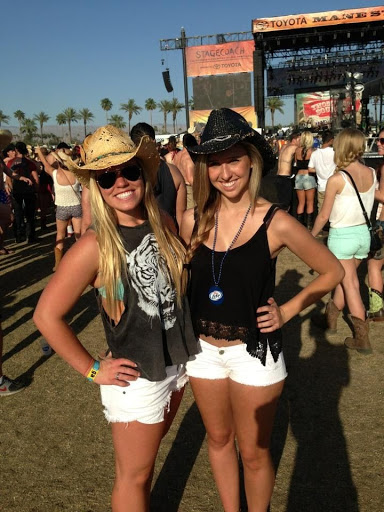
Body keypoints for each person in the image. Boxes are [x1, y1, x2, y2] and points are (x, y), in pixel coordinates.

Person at [180, 108, 343, 512]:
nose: (225, 172)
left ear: (251, 160)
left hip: (254, 354)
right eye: (214, 163)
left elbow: (332, 271)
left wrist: (287, 311)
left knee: (253, 452)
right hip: (201, 355)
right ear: (204, 169)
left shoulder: (277, 221)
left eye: (233, 158)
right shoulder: (192, 220)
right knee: (218, 441)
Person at [33, 125, 197, 512]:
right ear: (95, 186)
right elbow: (47, 315)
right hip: (135, 377)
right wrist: (92, 369)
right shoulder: (94, 245)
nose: (120, 182)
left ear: (144, 172)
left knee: (144, 467)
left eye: (129, 171)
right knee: (132, 476)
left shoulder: (161, 221)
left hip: (175, 364)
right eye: (107, 177)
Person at [311, 128, 377, 353]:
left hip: (342, 237)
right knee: (345, 280)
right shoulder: (371, 172)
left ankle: (362, 337)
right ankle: (330, 318)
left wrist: (310, 237)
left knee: (350, 284)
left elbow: (323, 215)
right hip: (363, 236)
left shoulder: (337, 179)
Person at [130, 123, 186, 231]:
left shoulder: (128, 176)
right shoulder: (174, 173)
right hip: (170, 238)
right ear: (154, 142)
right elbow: (181, 220)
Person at [35, 146, 82, 271]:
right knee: (79, 237)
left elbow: (45, 163)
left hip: (61, 208)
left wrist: (39, 152)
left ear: (59, 162)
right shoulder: (77, 174)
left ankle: (58, 264)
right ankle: (81, 262)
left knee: (60, 236)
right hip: (77, 207)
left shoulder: (55, 174)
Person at [367, 129, 384, 320]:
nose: (378, 143)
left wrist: (367, 189)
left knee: (373, 266)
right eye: (378, 140)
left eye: (383, 141)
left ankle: (376, 309)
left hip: (383, 224)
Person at [6, 142, 39, 243]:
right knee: (30, 214)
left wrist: (11, 190)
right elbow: (36, 178)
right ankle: (31, 236)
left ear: (16, 150)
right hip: (29, 190)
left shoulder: (10, 162)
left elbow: (8, 178)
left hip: (16, 191)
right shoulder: (29, 162)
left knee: (18, 214)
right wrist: (36, 190)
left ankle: (19, 236)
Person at [308, 130, 336, 221]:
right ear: (331, 140)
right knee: (334, 209)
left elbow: (310, 169)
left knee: (321, 210)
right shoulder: (335, 152)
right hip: (334, 186)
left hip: (321, 186)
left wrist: (319, 169)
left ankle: (321, 228)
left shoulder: (315, 153)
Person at [294, 131, 316, 229]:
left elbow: (296, 163)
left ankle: (299, 226)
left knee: (301, 203)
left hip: (298, 176)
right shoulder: (312, 151)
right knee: (310, 203)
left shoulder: (297, 150)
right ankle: (309, 226)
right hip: (308, 176)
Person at [274, 130, 301, 210]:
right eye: (299, 140)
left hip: (278, 176)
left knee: (280, 203)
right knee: (286, 204)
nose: (300, 142)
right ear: (294, 139)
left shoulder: (284, 146)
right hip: (285, 178)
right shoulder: (294, 148)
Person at [172, 133, 197, 209]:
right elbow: (190, 179)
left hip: (179, 189)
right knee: (193, 214)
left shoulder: (177, 156)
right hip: (189, 189)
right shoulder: (188, 158)